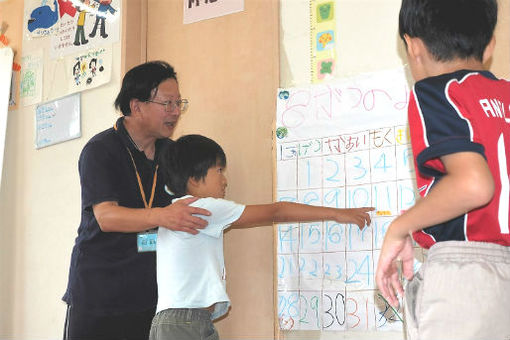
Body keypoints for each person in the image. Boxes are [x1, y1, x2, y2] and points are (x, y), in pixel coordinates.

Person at [149, 134, 374, 340]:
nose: (225, 180)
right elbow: (277, 211)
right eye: (219, 171)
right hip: (184, 323)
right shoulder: (202, 208)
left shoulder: (176, 211)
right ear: (194, 179)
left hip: (182, 321)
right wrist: (336, 213)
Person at [375, 1, 510, 339]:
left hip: (470, 277)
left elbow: (474, 184)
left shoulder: (437, 93)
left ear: (413, 46)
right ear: (490, 44)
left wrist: (400, 227)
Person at [62, 61, 211, 340]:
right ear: (136, 106)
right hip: (99, 294)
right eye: (167, 103)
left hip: (151, 296)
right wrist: (161, 216)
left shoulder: (172, 153)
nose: (176, 112)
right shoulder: (100, 150)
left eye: (179, 103)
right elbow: (107, 217)